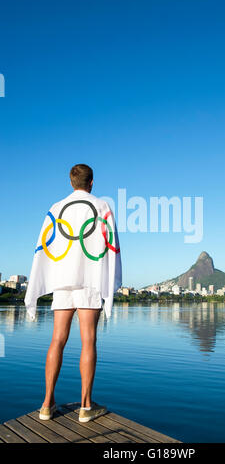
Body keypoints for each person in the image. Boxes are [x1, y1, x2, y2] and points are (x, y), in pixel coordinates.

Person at [25, 164, 122, 422]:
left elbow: (43, 246)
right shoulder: (102, 207)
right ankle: (86, 407)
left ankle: (47, 405)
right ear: (92, 183)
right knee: (88, 340)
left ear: (71, 182)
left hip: (62, 282)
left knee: (57, 339)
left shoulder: (56, 209)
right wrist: (110, 282)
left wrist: (41, 282)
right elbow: (112, 245)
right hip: (89, 281)